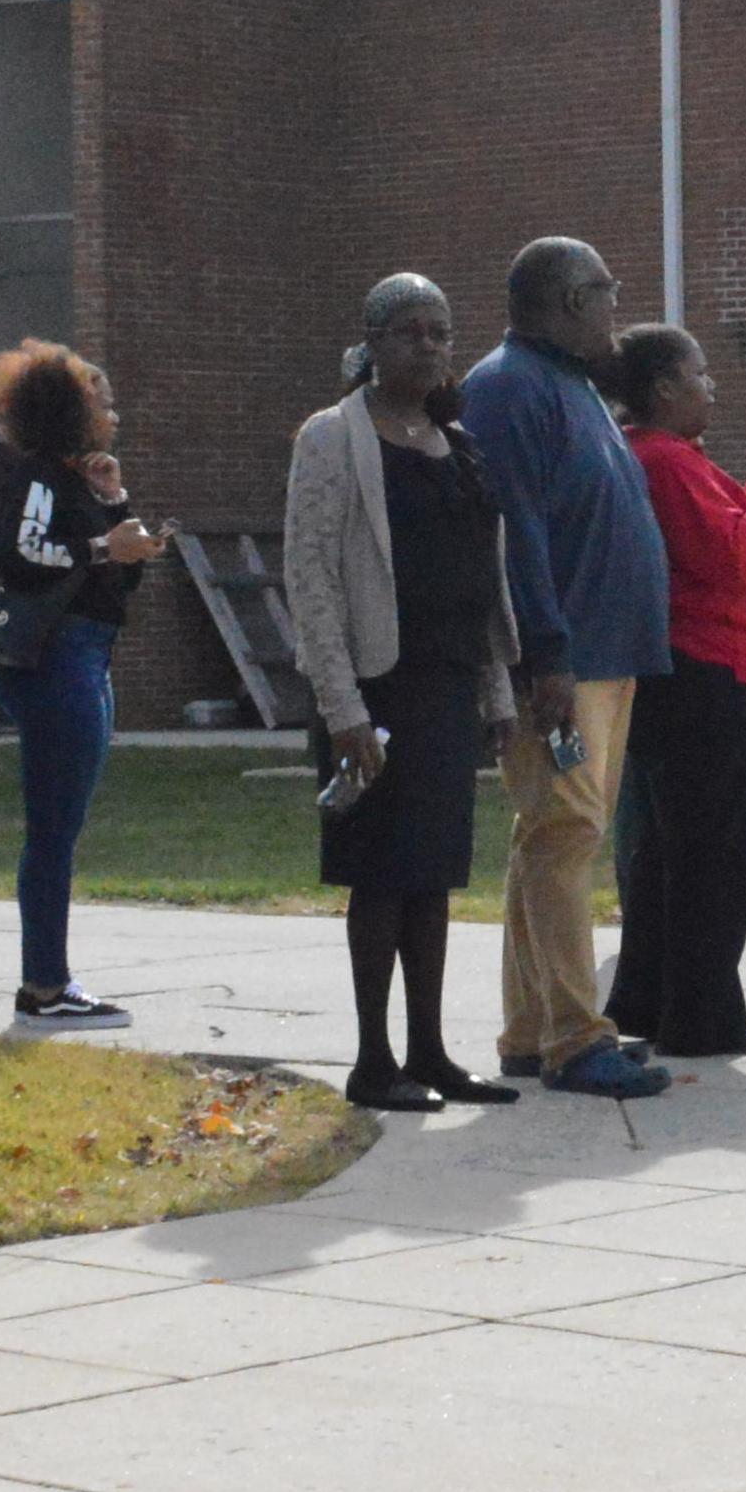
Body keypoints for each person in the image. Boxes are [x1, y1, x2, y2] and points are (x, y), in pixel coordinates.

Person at [281, 274, 530, 1111]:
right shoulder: (332, 437)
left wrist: (496, 693)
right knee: (381, 876)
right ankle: (372, 1060)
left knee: (433, 878)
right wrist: (342, 706)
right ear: (374, 341)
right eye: (412, 331)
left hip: (448, 682)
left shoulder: (451, 439)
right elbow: (309, 574)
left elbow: (477, 577)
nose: (429, 345)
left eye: (441, 332)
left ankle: (429, 1053)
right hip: (376, 690)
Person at [460, 236, 672, 1099]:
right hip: (562, 661)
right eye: (609, 293)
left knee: (549, 837)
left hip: (606, 653)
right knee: (567, 838)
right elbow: (514, 533)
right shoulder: (506, 388)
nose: (617, 311)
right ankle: (579, 1039)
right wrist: (542, 654)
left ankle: (531, 1029)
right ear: (571, 299)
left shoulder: (572, 384)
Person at [604, 324, 746, 1060]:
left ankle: (659, 1001)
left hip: (699, 677)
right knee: (718, 855)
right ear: (661, 388)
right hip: (718, 677)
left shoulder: (665, 460)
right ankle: (697, 1015)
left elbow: (726, 534)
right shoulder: (662, 459)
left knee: (674, 854)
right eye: (699, 373)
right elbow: (733, 556)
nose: (711, 385)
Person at [0, 341, 168, 1026]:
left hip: (88, 656)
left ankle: (49, 982)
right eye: (103, 402)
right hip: (56, 662)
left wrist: (118, 507)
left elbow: (120, 575)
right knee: (53, 829)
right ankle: (44, 989)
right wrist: (99, 546)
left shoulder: (78, 480)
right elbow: (22, 556)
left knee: (63, 824)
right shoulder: (32, 477)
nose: (114, 415)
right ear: (72, 411)